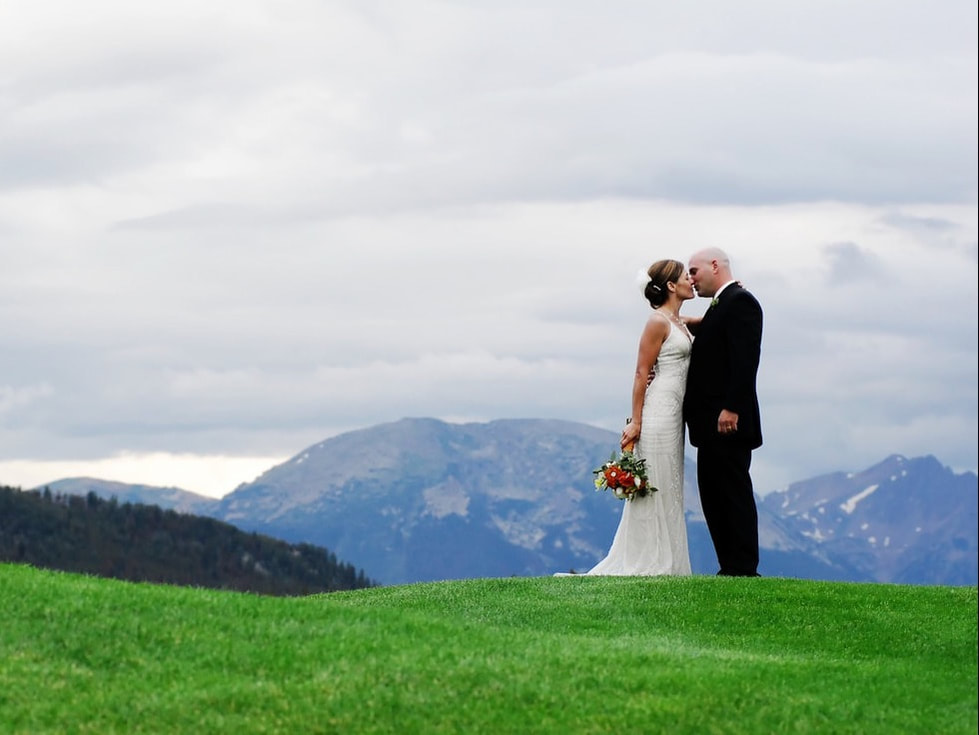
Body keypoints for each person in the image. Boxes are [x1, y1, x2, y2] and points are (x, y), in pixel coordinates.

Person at [584, 259, 694, 576]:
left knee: (670, 483)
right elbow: (640, 373)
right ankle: (650, 560)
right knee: (655, 482)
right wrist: (636, 422)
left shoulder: (677, 321)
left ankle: (669, 561)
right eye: (684, 275)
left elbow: (694, 322)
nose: (690, 280)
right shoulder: (657, 323)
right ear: (671, 286)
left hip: (675, 416)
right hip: (658, 412)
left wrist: (723, 305)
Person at [683, 247, 763, 577]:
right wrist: (682, 321)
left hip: (727, 423)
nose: (691, 278)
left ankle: (743, 568)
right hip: (709, 425)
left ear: (714, 266)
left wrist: (732, 407)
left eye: (694, 271)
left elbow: (746, 360)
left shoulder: (740, 302)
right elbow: (715, 332)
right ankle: (729, 566)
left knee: (732, 493)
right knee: (714, 496)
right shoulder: (723, 305)